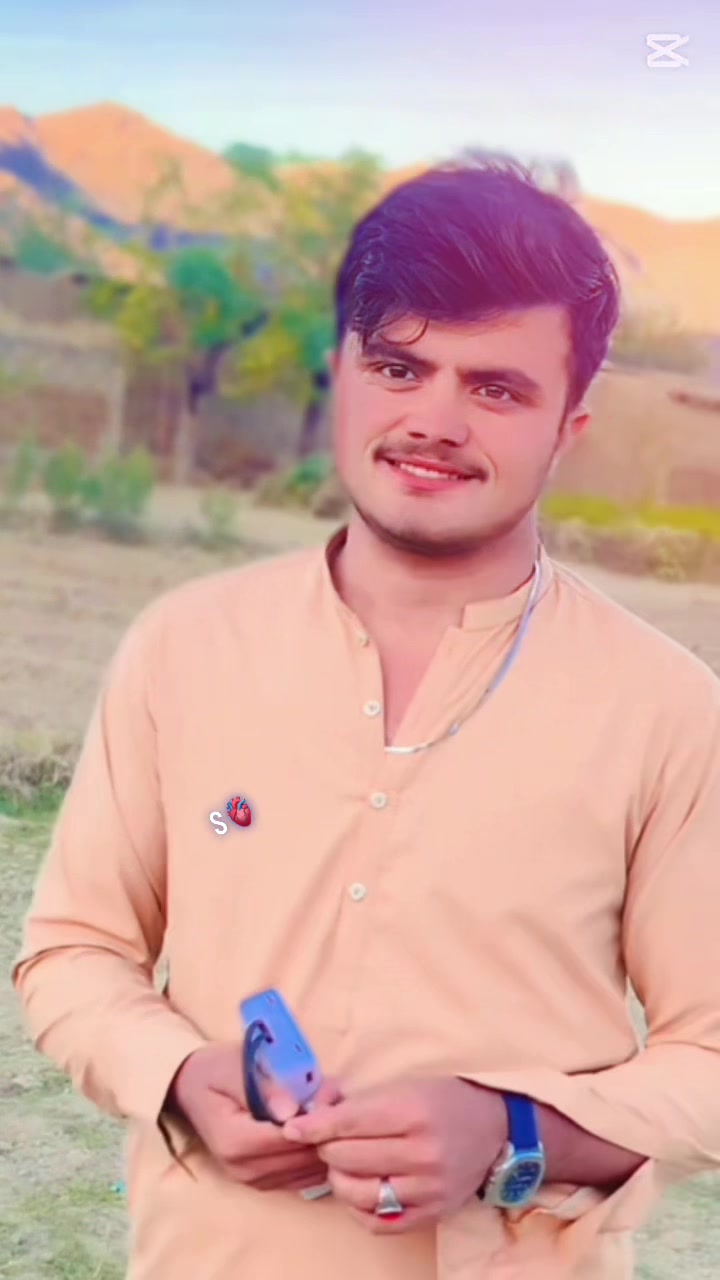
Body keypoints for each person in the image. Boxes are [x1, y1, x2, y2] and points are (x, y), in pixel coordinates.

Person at [13, 159, 720, 1280]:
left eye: (496, 388)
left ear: (569, 426)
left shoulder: (667, 707)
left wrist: (514, 1131)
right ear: (341, 373)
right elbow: (73, 953)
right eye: (398, 366)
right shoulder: (183, 647)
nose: (433, 420)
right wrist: (178, 1075)